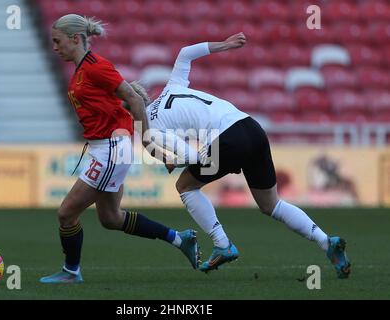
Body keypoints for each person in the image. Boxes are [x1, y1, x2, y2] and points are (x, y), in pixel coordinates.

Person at [128, 32, 351, 278]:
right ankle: (326, 242)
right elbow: (185, 54)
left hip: (228, 139)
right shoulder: (172, 87)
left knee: (186, 186)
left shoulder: (151, 125)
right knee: (271, 204)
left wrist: (178, 160)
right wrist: (225, 44)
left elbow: (190, 156)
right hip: (251, 127)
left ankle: (222, 244)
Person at [39, 14, 200, 284]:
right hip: (108, 147)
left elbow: (135, 100)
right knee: (111, 218)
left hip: (111, 149)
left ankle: (71, 272)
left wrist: (149, 143)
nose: (55, 47)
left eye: (58, 41)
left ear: (75, 39)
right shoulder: (83, 69)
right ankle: (179, 238)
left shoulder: (95, 66)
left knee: (66, 213)